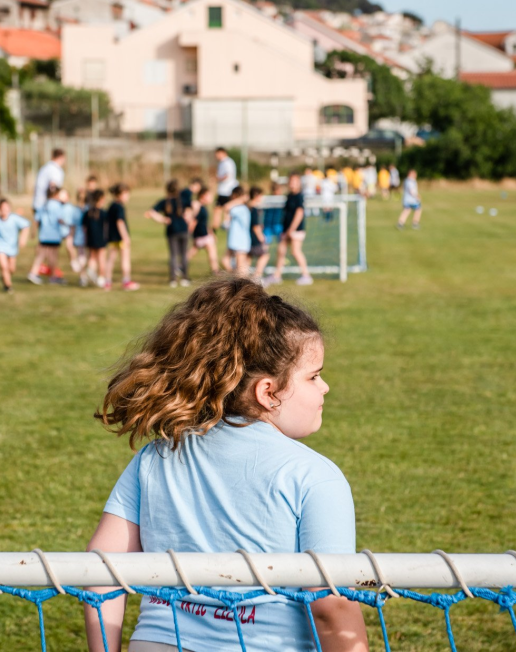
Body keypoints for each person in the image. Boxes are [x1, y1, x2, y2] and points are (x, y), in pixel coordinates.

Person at [85, 277, 366, 652]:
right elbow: (332, 606)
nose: (325, 387)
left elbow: (100, 570)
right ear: (267, 392)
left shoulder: (156, 458)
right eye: (313, 376)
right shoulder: (314, 476)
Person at [266, 172, 312, 286]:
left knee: (295, 251)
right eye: (291, 181)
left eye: (295, 181)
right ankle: (277, 275)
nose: (292, 184)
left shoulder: (299, 197)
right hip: (286, 229)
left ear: (299, 183)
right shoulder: (289, 196)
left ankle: (306, 275)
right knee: (281, 251)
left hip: (295, 230)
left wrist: (291, 230)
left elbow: (299, 213)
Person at [145, 180, 191, 288]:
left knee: (173, 256)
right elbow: (191, 209)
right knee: (184, 255)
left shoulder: (164, 202)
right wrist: (188, 216)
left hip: (172, 232)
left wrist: (163, 219)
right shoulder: (184, 200)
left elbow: (151, 212)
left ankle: (173, 279)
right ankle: (185, 278)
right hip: (184, 231)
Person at [0, 198, 30, 293]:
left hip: (12, 247)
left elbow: (26, 226)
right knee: (4, 266)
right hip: (0, 247)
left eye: (6, 208)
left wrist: (23, 238)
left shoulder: (14, 219)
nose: (4, 210)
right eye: (2, 208)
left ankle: (5, 277)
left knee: (11, 269)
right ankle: (8, 286)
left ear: (10, 209)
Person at [29, 185, 69, 285]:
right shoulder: (57, 205)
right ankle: (52, 276)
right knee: (53, 256)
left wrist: (33, 232)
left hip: (44, 235)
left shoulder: (43, 205)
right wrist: (68, 226)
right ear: (56, 194)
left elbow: (36, 220)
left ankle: (34, 273)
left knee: (41, 255)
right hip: (54, 235)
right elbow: (60, 219)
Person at [106, 183, 140, 291]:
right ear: (120, 194)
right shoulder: (119, 207)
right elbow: (120, 222)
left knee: (110, 260)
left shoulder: (111, 205)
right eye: (126, 194)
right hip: (121, 238)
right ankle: (126, 281)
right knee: (125, 259)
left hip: (112, 238)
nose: (127, 197)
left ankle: (107, 282)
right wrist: (125, 237)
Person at [186, 185, 220, 275]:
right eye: (210, 196)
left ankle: (181, 266)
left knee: (192, 251)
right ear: (203, 196)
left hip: (202, 235)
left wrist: (211, 233)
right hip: (202, 235)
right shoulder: (198, 207)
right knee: (212, 251)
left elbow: (205, 224)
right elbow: (193, 221)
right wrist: (188, 234)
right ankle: (215, 271)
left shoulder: (203, 207)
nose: (211, 198)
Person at [84, 189, 110, 290]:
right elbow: (107, 227)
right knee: (101, 258)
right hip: (101, 239)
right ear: (101, 199)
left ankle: (90, 271)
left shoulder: (87, 213)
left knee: (92, 257)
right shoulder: (103, 213)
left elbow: (84, 227)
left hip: (90, 239)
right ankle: (101, 278)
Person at [222, 185, 251, 275]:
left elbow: (226, 207)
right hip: (236, 240)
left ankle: (243, 284)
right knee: (226, 260)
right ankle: (237, 279)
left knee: (240, 266)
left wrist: (241, 199)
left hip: (240, 240)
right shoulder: (240, 208)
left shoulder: (241, 208)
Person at [248, 186, 271, 280]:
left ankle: (243, 277)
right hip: (254, 238)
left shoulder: (248, 207)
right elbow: (255, 226)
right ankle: (257, 276)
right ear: (256, 195)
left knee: (248, 258)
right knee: (264, 255)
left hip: (248, 237)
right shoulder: (254, 209)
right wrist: (262, 238)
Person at [33, 148, 66, 214]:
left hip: (38, 203)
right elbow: (53, 187)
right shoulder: (55, 169)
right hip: (46, 206)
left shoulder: (45, 167)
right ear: (61, 157)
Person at [67, 189, 89, 283]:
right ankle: (83, 276)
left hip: (88, 235)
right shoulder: (75, 210)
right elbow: (73, 225)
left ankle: (85, 275)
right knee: (82, 256)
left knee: (86, 257)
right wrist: (71, 236)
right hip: (80, 236)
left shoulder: (89, 209)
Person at [213, 147, 237, 230]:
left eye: (217, 154)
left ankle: (226, 224)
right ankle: (217, 226)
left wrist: (218, 178)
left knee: (225, 208)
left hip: (227, 190)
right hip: (222, 190)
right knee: (218, 209)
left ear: (222, 153)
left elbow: (227, 175)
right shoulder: (222, 163)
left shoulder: (227, 162)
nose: (216, 156)